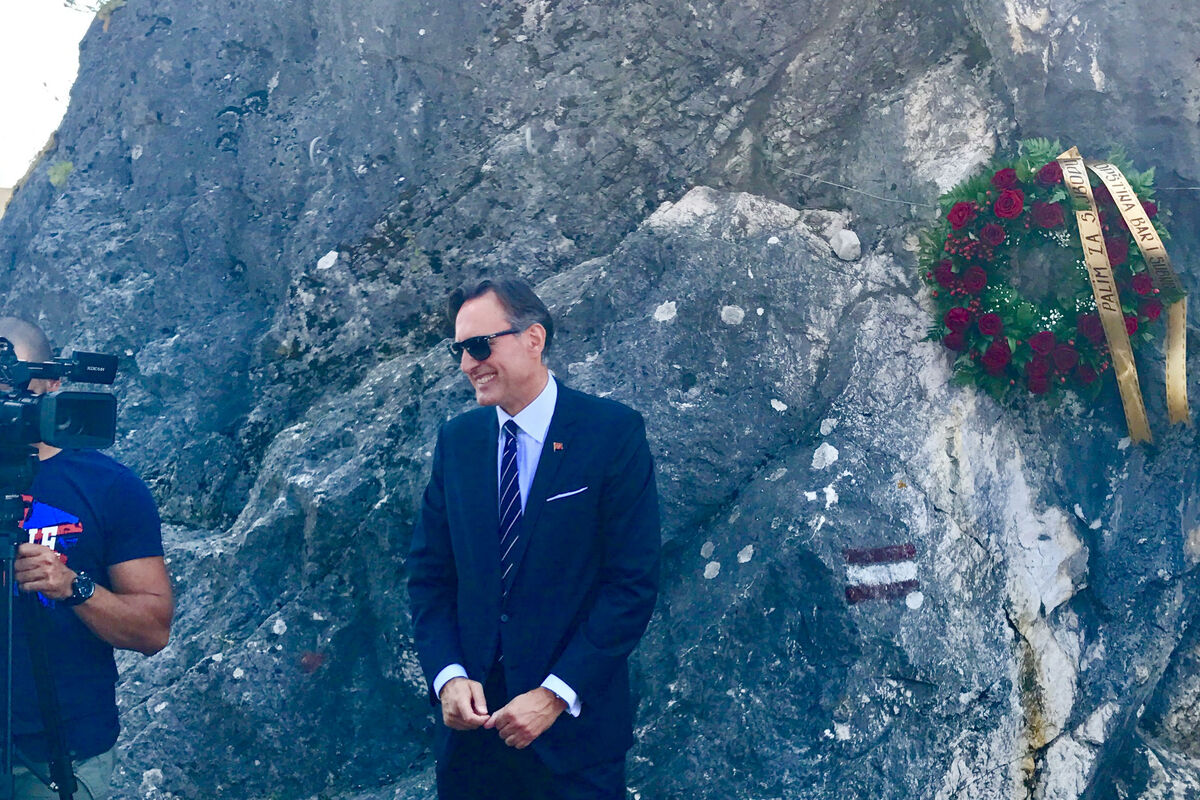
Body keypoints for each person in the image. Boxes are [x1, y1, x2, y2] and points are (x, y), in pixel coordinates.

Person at [408, 278, 660, 799]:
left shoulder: (611, 433)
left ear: (534, 338)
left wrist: (554, 696)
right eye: (459, 350)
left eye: (480, 346)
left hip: (574, 744)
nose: (467, 364)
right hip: (471, 747)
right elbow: (429, 578)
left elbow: (631, 584)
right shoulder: (457, 443)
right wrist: (448, 676)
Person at [0, 317, 173, 800]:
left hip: (63, 753)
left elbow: (153, 631)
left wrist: (71, 586)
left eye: (12, 382)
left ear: (53, 383)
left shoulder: (109, 487)